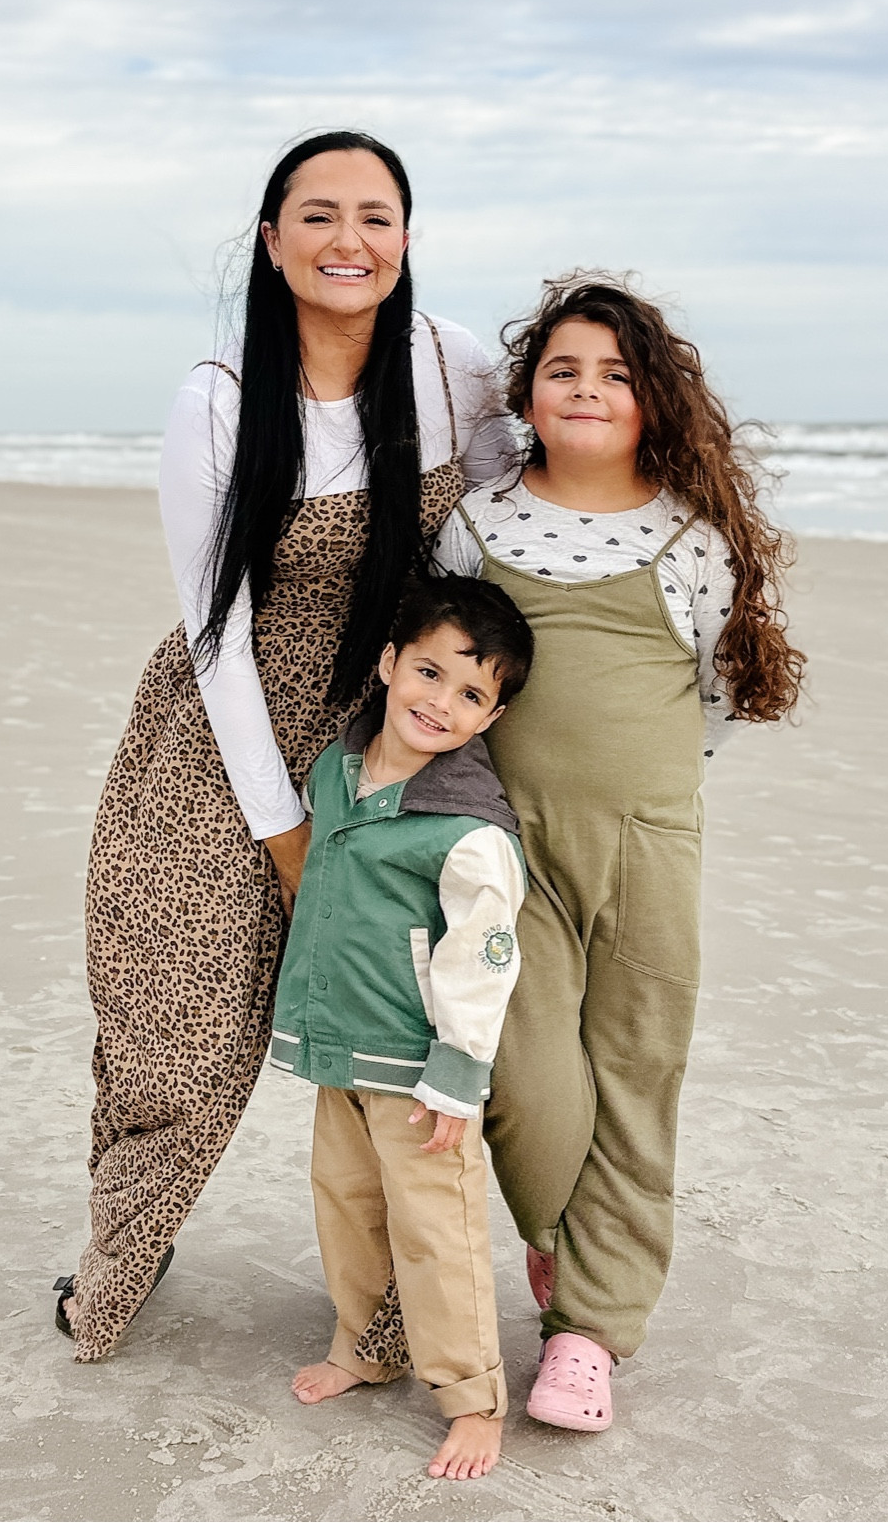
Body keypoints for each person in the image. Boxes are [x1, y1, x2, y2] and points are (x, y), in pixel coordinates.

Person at [56, 132, 516, 1361]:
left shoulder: (450, 364)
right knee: (180, 1021)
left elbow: (495, 521)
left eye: (376, 215)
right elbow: (219, 636)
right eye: (318, 216)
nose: (347, 240)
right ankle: (115, 1262)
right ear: (272, 241)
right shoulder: (215, 399)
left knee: (398, 1035)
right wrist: (286, 831)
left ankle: (400, 1312)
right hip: (223, 737)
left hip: (395, 721)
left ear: (407, 238)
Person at [433, 272, 805, 1430]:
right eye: (563, 370)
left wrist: (645, 804)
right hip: (506, 850)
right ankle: (557, 1237)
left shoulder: (689, 542)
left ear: (655, 400)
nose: (588, 390)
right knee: (524, 1076)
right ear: (528, 396)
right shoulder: (478, 522)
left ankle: (589, 1330)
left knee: (638, 1076)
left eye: (615, 372)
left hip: (649, 844)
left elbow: (712, 707)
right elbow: (448, 671)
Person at [273, 575, 534, 1480]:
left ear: (491, 717)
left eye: (472, 693)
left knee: (436, 1228)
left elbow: (485, 956)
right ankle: (365, 1344)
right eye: (428, 671)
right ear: (388, 664)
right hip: (339, 1045)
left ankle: (472, 1396)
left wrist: (457, 1072)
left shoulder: (466, 829)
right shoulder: (333, 772)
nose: (440, 701)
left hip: (422, 1071)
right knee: (345, 1206)